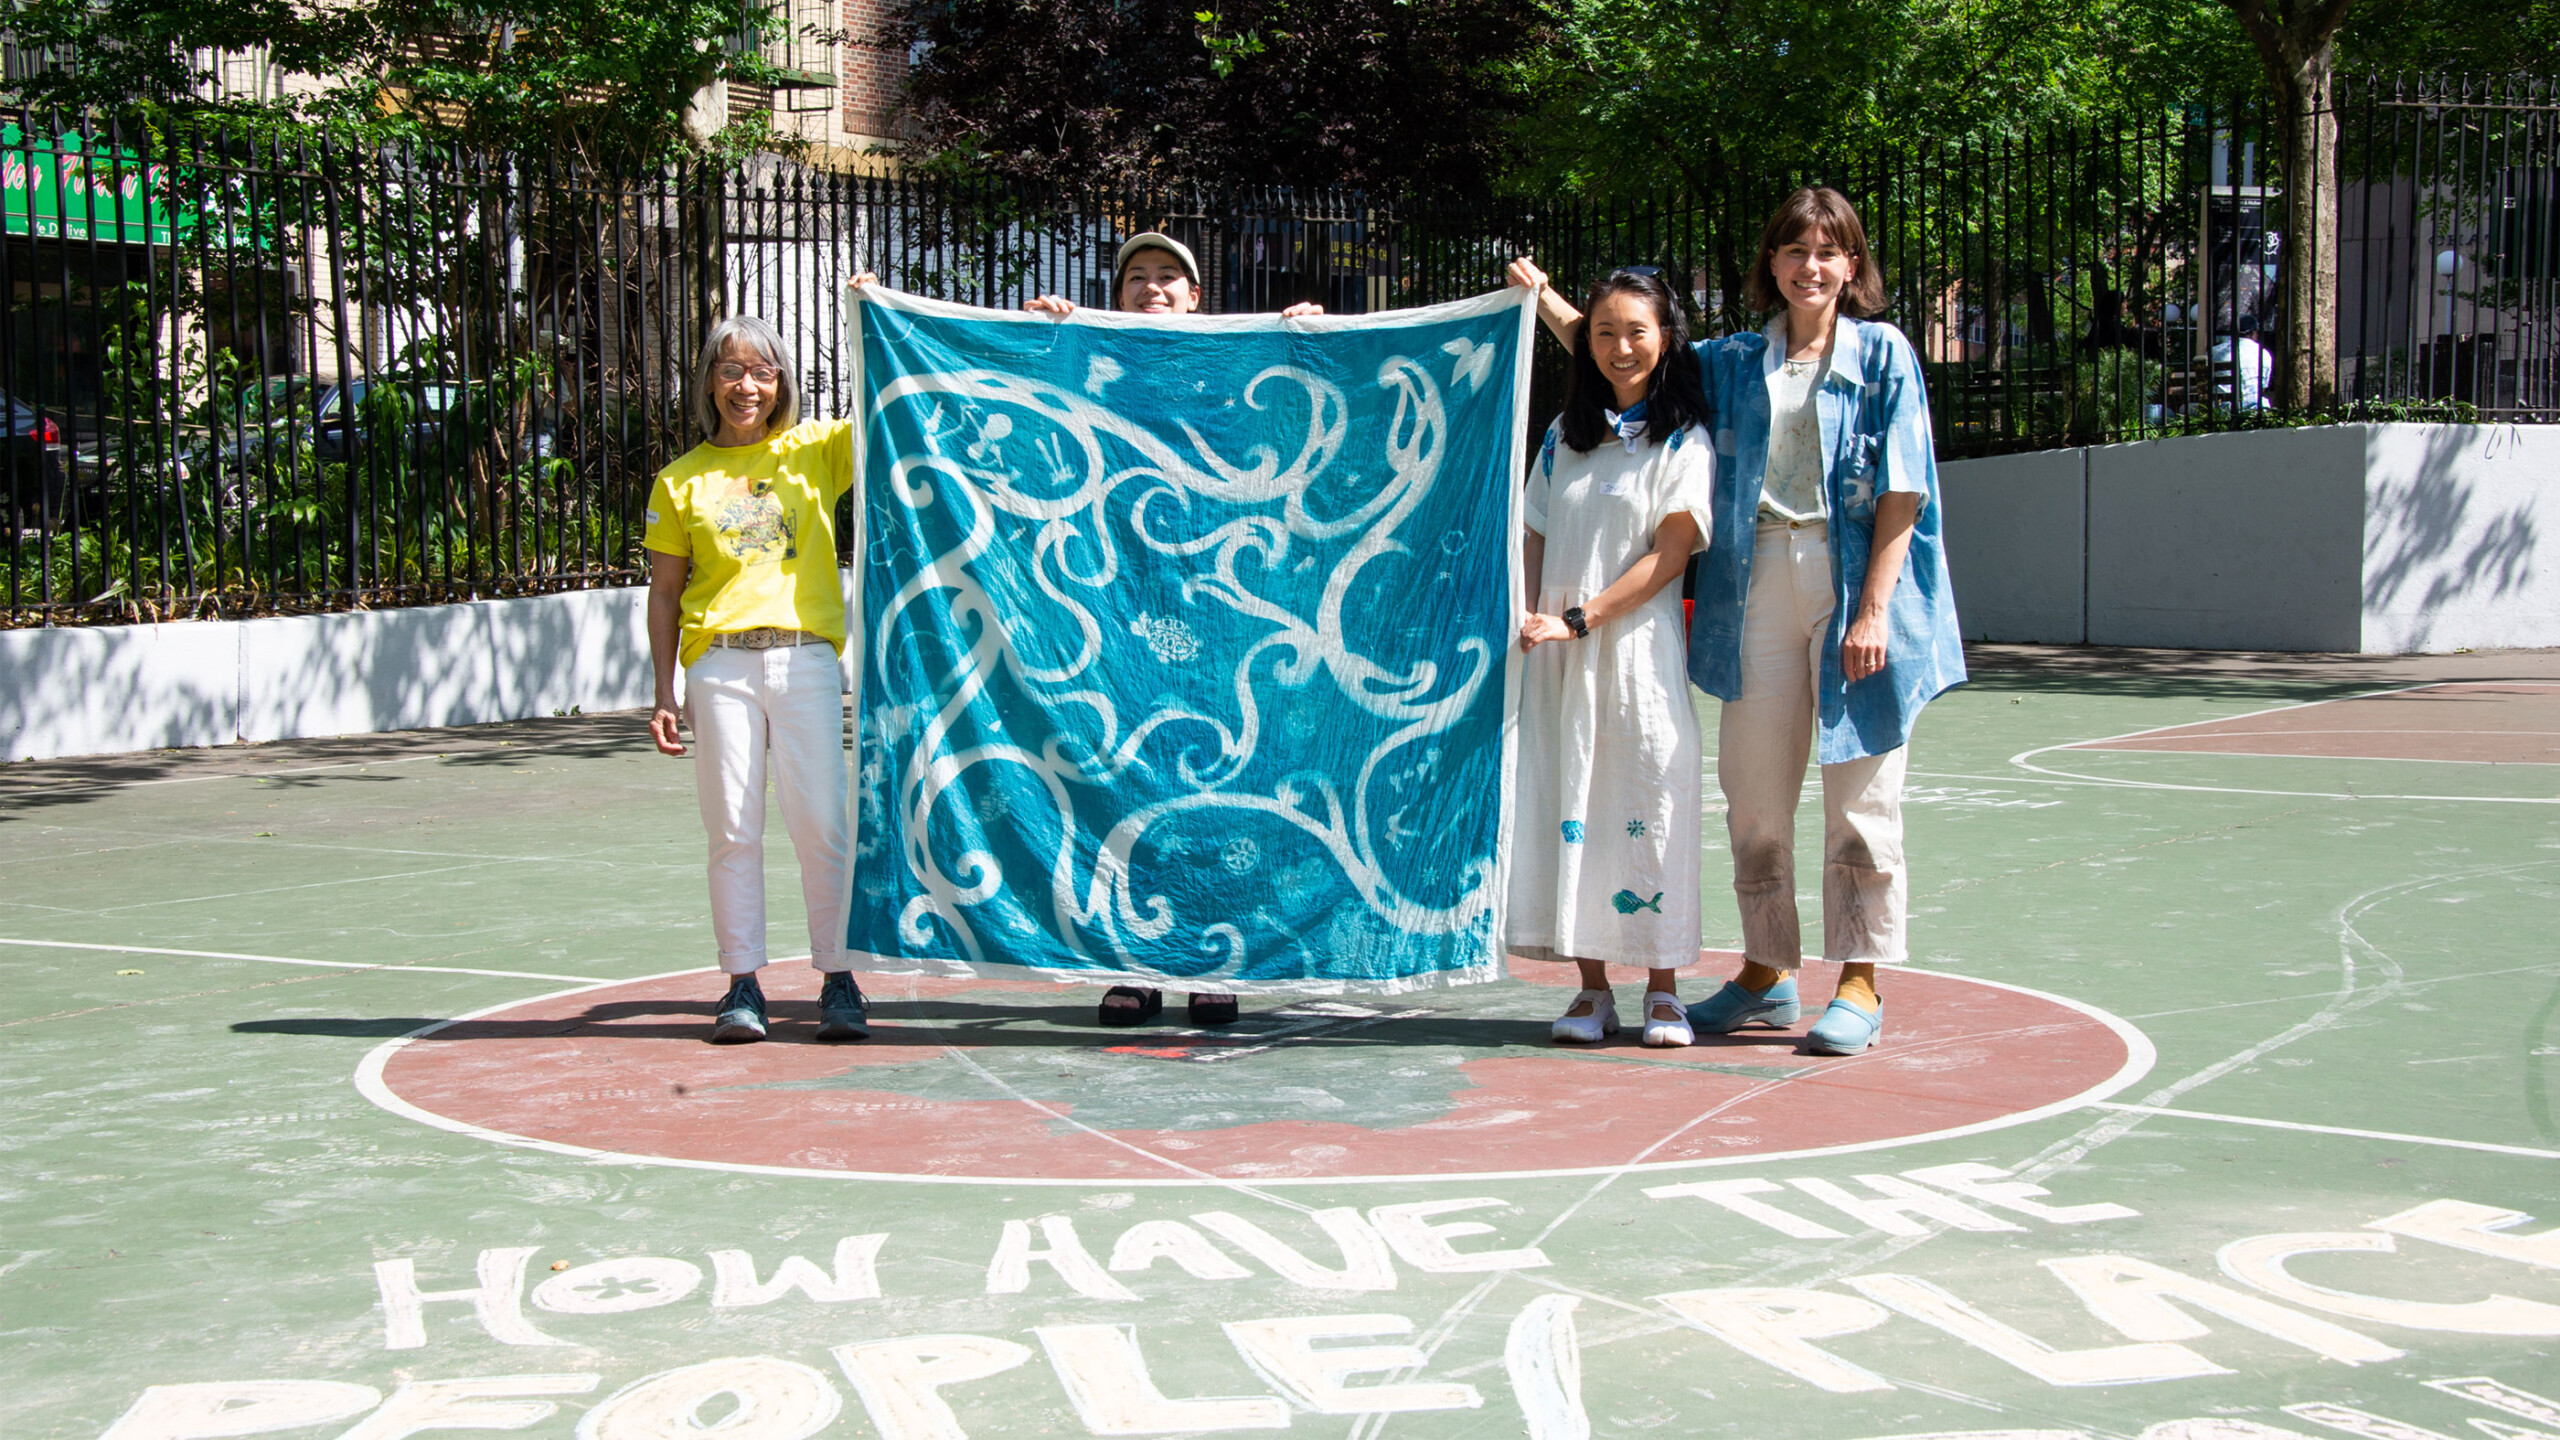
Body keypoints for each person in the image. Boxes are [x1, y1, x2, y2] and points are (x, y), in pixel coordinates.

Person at [1509, 187, 1965, 1056]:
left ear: (1853, 267)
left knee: (1862, 799)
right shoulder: (1732, 361)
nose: (1811, 268)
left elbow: (1905, 493)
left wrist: (1873, 611)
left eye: (1829, 252)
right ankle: (1767, 970)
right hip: (1756, 579)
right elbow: (1629, 354)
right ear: (1772, 265)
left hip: (1852, 579)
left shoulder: (1884, 355)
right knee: (1754, 798)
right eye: (1795, 252)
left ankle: (1861, 982)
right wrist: (1546, 300)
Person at [852, 232, 1319, 1032]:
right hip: (1108, 604)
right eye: (1136, 276)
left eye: (1168, 277)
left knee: (1211, 778)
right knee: (1113, 771)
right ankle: (1129, 965)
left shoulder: (1234, 359)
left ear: (1196, 295)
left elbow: (1290, 416)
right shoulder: (1086, 353)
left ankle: (1216, 965)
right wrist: (1043, 342)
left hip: (1217, 611)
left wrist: (1303, 336)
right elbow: (1014, 418)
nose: (1151, 288)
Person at [1504, 267, 1715, 1048]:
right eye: (1604, 332)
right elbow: (1530, 528)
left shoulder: (1682, 439)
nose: (1620, 347)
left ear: (1666, 340)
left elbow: (1671, 553)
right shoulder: (1565, 436)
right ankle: (1591, 990)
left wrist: (1579, 617)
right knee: (1574, 809)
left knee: (1648, 806)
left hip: (1634, 658)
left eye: (1637, 331)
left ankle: (1664, 989)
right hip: (1557, 657)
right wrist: (1528, 612)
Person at [645, 316, 867, 1046]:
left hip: (803, 660)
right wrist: (662, 693)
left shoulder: (816, 451)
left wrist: (867, 313)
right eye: (732, 370)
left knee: (823, 826)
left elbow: (889, 398)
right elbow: (665, 593)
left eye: (764, 373)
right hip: (720, 666)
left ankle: (839, 977)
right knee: (732, 828)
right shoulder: (681, 480)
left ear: (782, 385)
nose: (748, 386)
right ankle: (742, 984)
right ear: (709, 379)